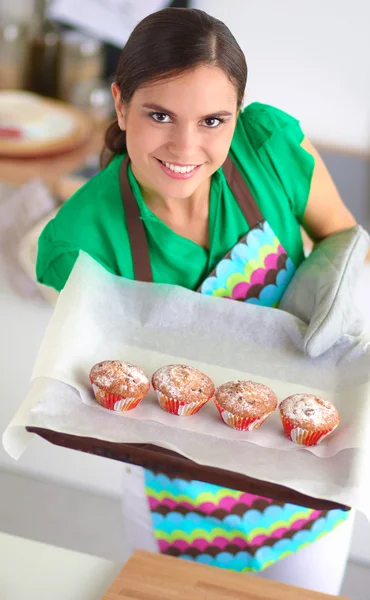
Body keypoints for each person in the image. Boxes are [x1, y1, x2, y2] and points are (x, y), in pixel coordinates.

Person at [36, 7, 356, 595]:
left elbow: (343, 238)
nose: (187, 147)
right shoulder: (81, 240)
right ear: (120, 103)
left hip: (305, 484)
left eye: (213, 120)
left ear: (237, 115)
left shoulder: (270, 149)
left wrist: (337, 319)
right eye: (160, 115)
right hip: (181, 497)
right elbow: (106, 385)